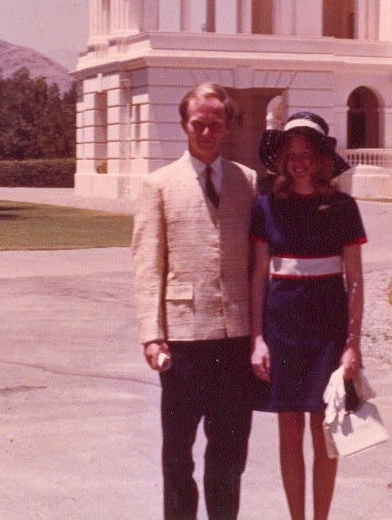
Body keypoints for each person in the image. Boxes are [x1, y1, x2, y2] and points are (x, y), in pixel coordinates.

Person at [132, 82, 259, 520]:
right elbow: (147, 264)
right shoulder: (159, 185)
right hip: (183, 340)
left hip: (235, 339)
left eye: (215, 124)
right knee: (177, 454)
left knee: (229, 453)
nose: (206, 132)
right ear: (185, 125)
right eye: (198, 124)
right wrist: (152, 335)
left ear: (227, 126)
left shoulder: (249, 182)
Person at [249, 112, 367, 520]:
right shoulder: (266, 206)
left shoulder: (343, 207)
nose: (298, 161)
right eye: (290, 154)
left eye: (306, 153)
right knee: (289, 430)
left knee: (325, 432)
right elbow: (258, 275)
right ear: (281, 159)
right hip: (281, 331)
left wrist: (353, 345)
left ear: (320, 158)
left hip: (328, 334)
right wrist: (257, 339)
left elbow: (355, 280)